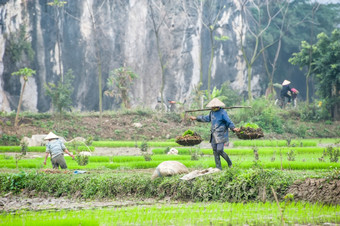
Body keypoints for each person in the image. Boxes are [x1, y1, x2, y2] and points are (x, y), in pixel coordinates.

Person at [189, 98, 240, 170]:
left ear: (217, 106)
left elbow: (228, 121)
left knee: (220, 150)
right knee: (215, 151)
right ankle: (218, 168)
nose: (212, 108)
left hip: (221, 134)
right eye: (211, 107)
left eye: (213, 107)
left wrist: (233, 128)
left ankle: (229, 162)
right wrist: (196, 118)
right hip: (213, 134)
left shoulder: (223, 112)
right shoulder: (212, 112)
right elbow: (206, 118)